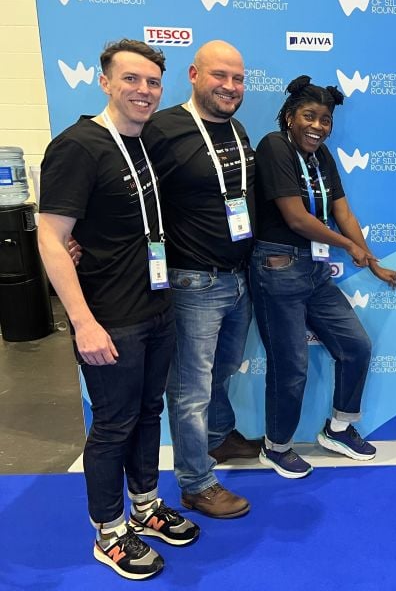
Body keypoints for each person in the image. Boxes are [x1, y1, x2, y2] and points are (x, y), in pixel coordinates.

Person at [38, 39, 199, 580]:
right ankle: (109, 533)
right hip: (110, 318)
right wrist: (82, 322)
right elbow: (51, 237)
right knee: (113, 425)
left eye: (153, 82)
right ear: (105, 82)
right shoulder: (78, 146)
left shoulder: (148, 141)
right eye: (131, 79)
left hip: (158, 307)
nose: (144, 90)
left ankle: (146, 507)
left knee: (149, 413)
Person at [250, 75, 396, 478]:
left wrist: (372, 261)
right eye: (309, 116)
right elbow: (296, 218)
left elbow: (343, 212)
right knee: (291, 365)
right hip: (277, 267)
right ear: (289, 117)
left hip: (315, 270)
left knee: (356, 345)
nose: (318, 126)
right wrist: (348, 247)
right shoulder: (273, 147)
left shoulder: (322, 157)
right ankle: (276, 446)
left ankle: (338, 428)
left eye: (325, 119)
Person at [140, 40, 258, 518]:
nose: (230, 87)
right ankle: (195, 482)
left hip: (237, 280)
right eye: (220, 76)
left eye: (238, 78)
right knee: (189, 390)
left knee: (224, 369)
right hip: (192, 283)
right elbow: (131, 193)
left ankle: (217, 436)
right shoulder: (162, 130)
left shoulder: (237, 127)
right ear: (193, 74)